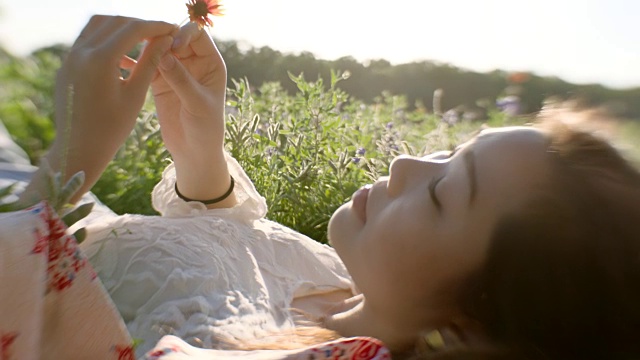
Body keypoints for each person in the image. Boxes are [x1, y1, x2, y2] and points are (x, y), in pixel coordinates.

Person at [14, 15, 640, 360]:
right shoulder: (352, 286)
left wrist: (71, 161)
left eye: (444, 192)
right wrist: (201, 149)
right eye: (449, 151)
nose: (405, 164)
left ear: (467, 328)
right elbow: (236, 259)